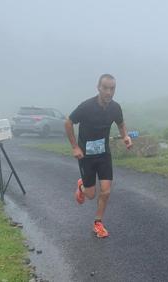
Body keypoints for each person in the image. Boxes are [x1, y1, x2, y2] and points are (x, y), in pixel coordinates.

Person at [64, 74, 132, 238]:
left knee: (106, 191)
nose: (109, 92)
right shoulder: (86, 107)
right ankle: (81, 186)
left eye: (112, 88)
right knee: (90, 195)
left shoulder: (115, 108)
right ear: (98, 88)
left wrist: (125, 136)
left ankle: (98, 223)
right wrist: (75, 147)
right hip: (86, 156)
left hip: (103, 154)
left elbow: (121, 123)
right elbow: (68, 122)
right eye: (105, 88)